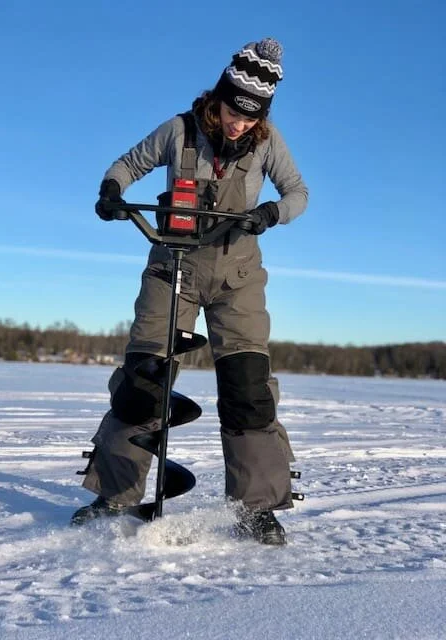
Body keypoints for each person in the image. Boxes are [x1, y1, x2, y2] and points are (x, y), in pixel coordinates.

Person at [72, 37, 308, 545]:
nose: (238, 124)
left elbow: (298, 193)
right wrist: (112, 192)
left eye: (250, 117)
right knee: (145, 380)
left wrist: (271, 212)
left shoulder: (268, 143)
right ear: (218, 98)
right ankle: (115, 493)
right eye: (232, 112)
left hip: (237, 277)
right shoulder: (178, 131)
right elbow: (125, 166)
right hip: (170, 270)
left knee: (247, 387)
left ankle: (256, 509)